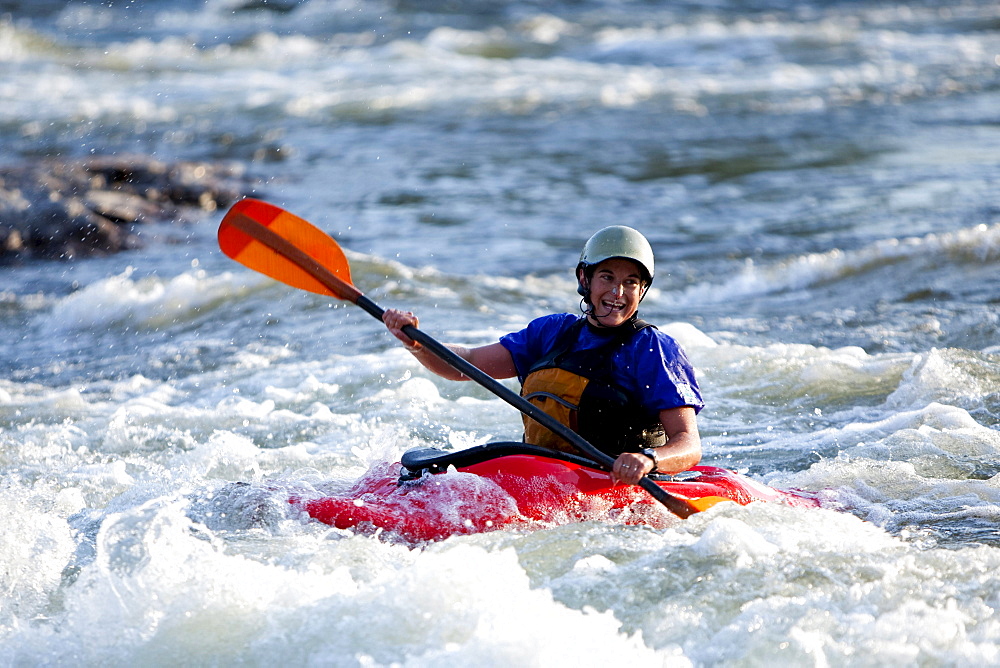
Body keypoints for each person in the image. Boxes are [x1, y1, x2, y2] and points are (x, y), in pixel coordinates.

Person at [382, 225, 703, 485]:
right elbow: (468, 363)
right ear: (585, 279)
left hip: (616, 489)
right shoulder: (551, 334)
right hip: (544, 478)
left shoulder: (652, 349)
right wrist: (416, 343)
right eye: (607, 277)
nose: (618, 293)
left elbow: (688, 443)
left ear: (641, 290)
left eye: (630, 282)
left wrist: (648, 460)